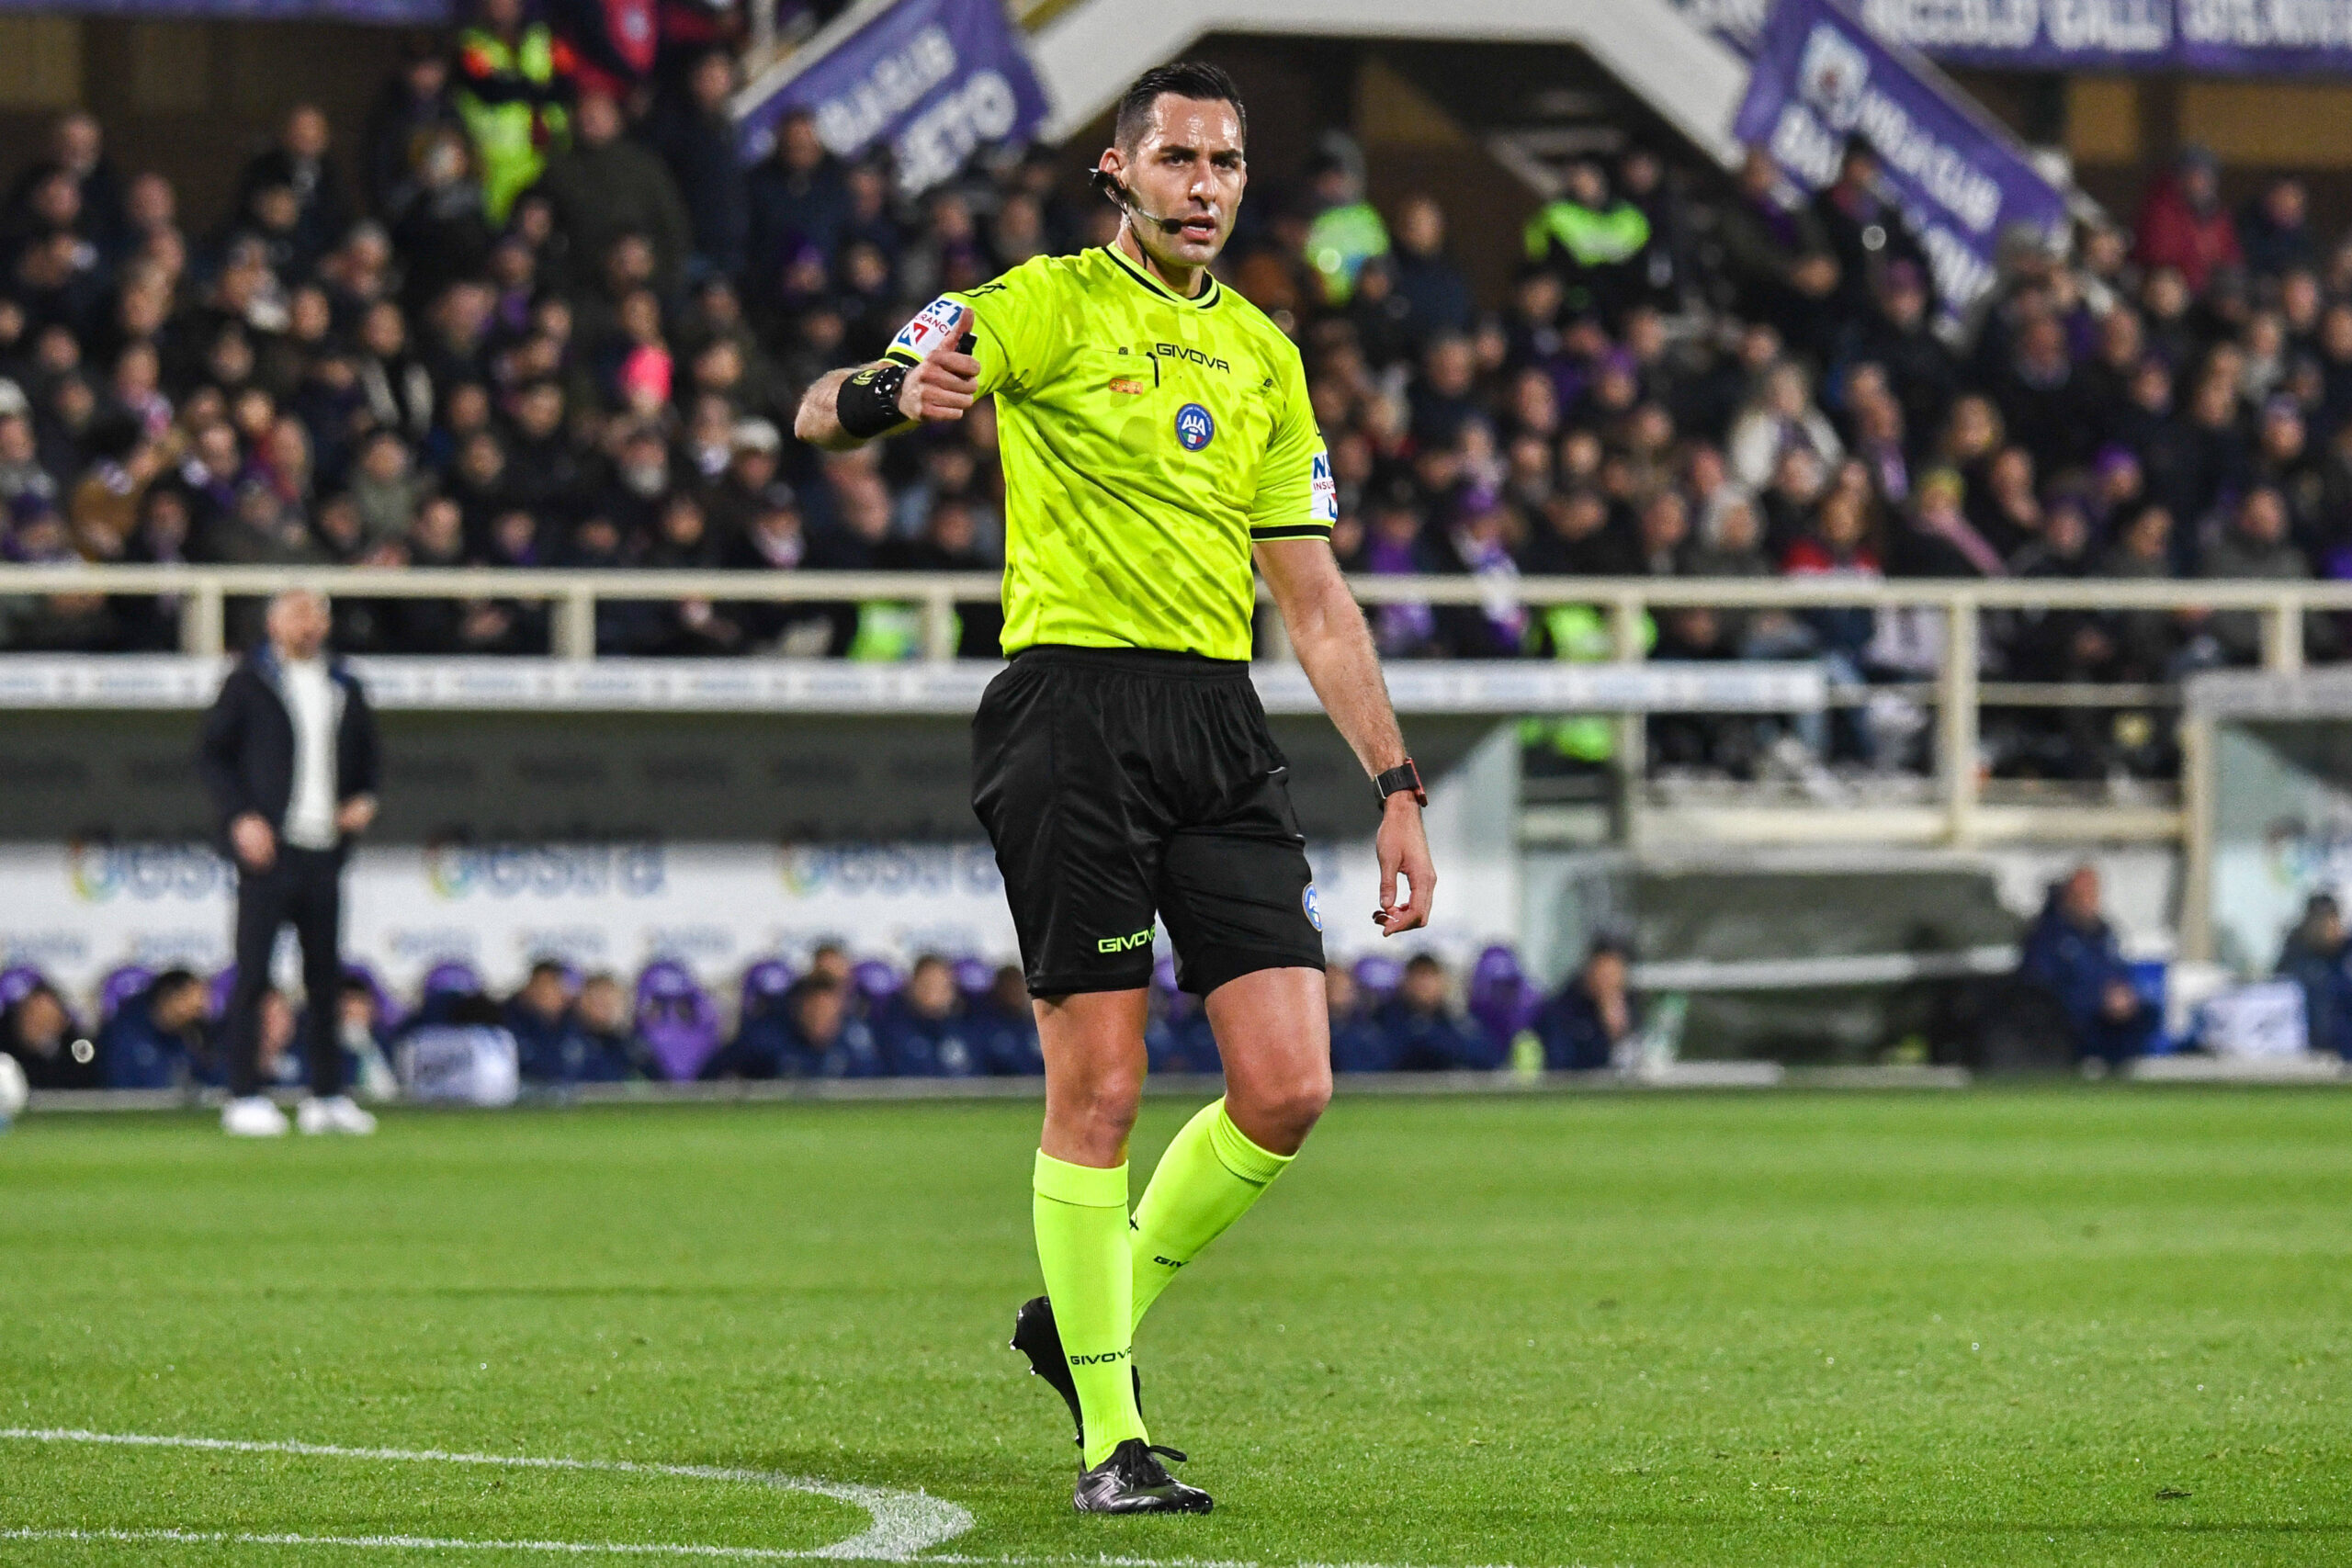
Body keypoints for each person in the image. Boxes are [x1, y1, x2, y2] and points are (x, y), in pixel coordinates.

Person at [794, 61, 1437, 1515]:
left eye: (1226, 165)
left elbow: (1319, 604)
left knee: (1289, 1082)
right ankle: (1109, 1437)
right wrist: (902, 389)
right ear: (1120, 171)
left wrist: (1396, 783)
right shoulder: (1039, 303)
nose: (1205, 186)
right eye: (1180, 160)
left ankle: (1076, 1326)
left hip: (1215, 714)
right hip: (1070, 708)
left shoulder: (1267, 354)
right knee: (1101, 1087)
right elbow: (818, 409)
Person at [195, 588, 382, 1136]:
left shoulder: (344, 684)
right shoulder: (249, 681)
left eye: (317, 616)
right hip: (269, 853)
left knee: (325, 978)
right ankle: (245, 1094)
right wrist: (240, 817)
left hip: (324, 849)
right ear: (275, 623)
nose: (309, 626)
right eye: (298, 615)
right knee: (253, 976)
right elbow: (212, 755)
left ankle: (326, 1094)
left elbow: (369, 759)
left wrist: (364, 799)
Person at [2017, 864, 2158, 1068]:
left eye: (2092, 892)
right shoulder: (2048, 934)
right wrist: (2096, 999)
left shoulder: (2104, 932)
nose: (2087, 899)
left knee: (2147, 1013)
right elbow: (2039, 984)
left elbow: (2119, 970)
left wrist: (2123, 995)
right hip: (2070, 1017)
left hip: (2108, 1014)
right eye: (2081, 892)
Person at [1369, 953, 1500, 1071]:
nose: (1424, 985)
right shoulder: (1385, 1018)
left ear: (1443, 982)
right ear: (1405, 982)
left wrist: (1433, 1037)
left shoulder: (1457, 1021)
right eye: (1419, 976)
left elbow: (1487, 1059)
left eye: (1430, 976)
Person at [1531, 936, 1639, 1071]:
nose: (1609, 981)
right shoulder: (1563, 1010)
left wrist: (1618, 1033)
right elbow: (1560, 1062)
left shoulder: (1629, 1006)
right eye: (1605, 974)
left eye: (1615, 974)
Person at [97, 967, 210, 1089]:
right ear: (170, 995)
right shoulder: (124, 1033)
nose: (196, 1015)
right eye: (193, 1008)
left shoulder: (190, 1035)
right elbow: (119, 1091)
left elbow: (212, 1081)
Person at [874, 953, 982, 1077]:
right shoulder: (890, 1032)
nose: (934, 994)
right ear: (911, 986)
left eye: (942, 987)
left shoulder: (965, 1032)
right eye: (927, 985)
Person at [2276, 894, 2352, 1058]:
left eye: (2330, 919)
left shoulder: (2346, 955)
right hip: (2306, 1051)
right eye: (2319, 920)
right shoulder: (2296, 956)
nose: (2325, 927)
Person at [1, 980, 97, 1089]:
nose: (36, 1023)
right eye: (31, 1016)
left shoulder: (75, 1058)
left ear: (61, 1022)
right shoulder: (5, 1054)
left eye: (44, 1019)